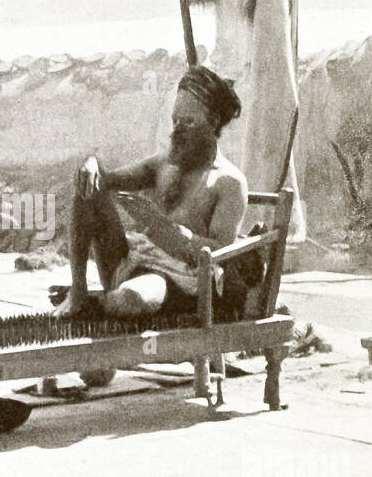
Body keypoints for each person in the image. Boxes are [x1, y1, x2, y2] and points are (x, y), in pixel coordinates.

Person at [55, 65, 248, 319]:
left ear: (212, 123)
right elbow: (107, 180)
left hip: (176, 279)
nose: (177, 131)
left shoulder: (228, 182)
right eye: (175, 121)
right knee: (88, 184)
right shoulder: (163, 164)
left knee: (130, 299)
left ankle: (104, 304)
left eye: (188, 122)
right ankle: (78, 292)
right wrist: (90, 163)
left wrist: (172, 232)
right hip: (132, 261)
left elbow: (222, 252)